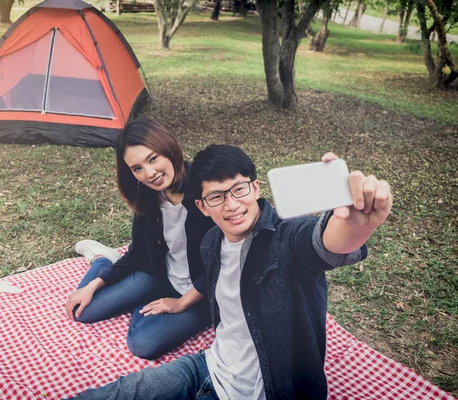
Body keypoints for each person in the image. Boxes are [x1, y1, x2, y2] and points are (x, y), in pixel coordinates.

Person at [70, 144, 392, 400]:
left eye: (239, 190)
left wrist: (352, 225)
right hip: (207, 366)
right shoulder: (212, 243)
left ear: (255, 188)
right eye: (216, 197)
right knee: (118, 393)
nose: (232, 205)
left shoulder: (284, 238)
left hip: (271, 389)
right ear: (202, 207)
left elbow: (322, 243)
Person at [65, 118, 214, 360]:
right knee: (82, 311)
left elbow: (226, 262)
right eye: (137, 168)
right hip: (158, 275)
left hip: (201, 295)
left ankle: (144, 297)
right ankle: (102, 260)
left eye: (153, 159)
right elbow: (138, 252)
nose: (150, 173)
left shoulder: (206, 191)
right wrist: (95, 284)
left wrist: (182, 303)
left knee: (142, 343)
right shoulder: (149, 197)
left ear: (168, 148)